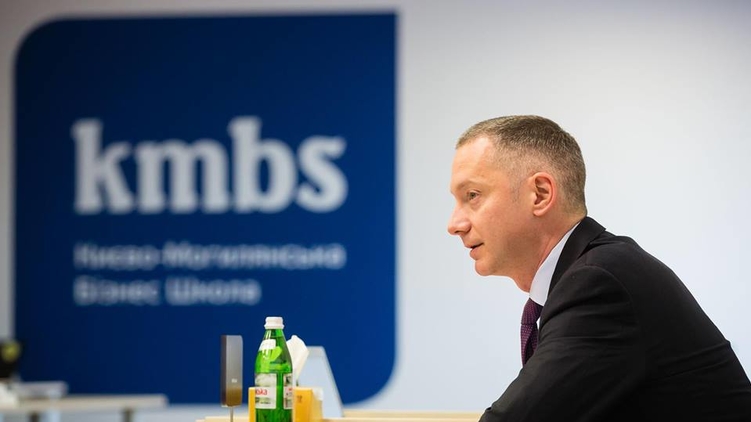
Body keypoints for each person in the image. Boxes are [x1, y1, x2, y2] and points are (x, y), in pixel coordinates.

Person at [447, 115, 751, 421]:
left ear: (540, 194)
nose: (454, 224)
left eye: (472, 196)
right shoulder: (595, 270)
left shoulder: (599, 284)